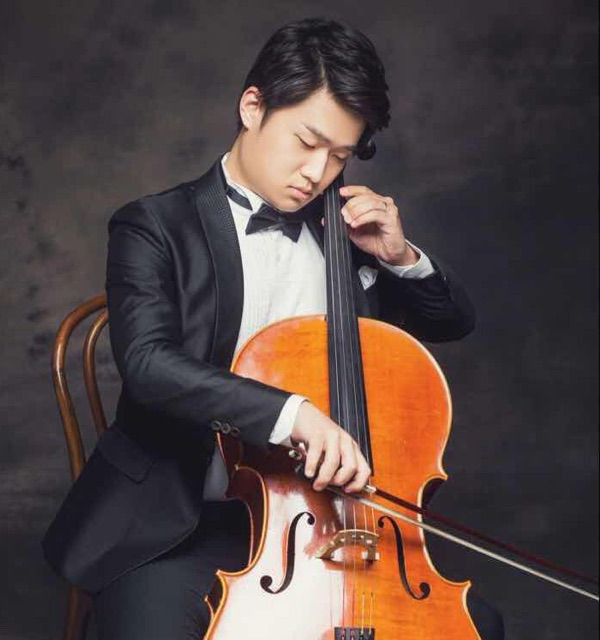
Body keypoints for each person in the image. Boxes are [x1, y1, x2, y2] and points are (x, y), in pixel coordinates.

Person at [42, 17, 504, 640]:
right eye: (306, 142)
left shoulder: (348, 236)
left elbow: (451, 322)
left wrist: (399, 258)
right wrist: (294, 415)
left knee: (476, 628)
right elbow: (149, 365)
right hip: (177, 523)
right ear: (253, 107)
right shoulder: (154, 225)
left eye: (339, 156)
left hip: (324, 526)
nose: (318, 173)